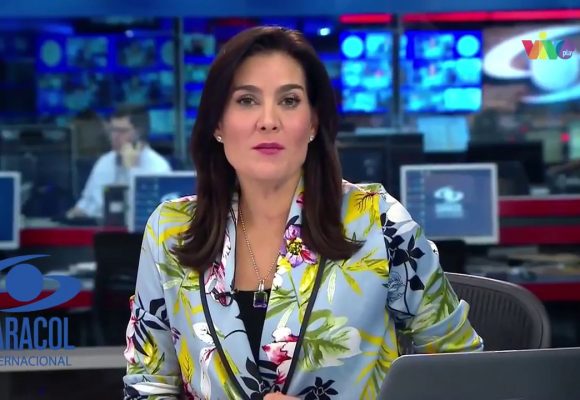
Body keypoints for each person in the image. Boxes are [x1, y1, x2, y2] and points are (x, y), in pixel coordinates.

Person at [123, 26, 483, 400]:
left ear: (312, 123)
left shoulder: (379, 221)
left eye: (289, 100)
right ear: (217, 124)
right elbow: (148, 386)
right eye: (246, 100)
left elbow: (464, 375)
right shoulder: (171, 231)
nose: (268, 120)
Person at [67, 105, 171, 219]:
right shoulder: (104, 161)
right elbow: (86, 204)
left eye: (121, 131)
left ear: (139, 133)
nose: (114, 136)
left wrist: (132, 170)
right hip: (98, 225)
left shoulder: (158, 167)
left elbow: (143, 213)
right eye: (112, 130)